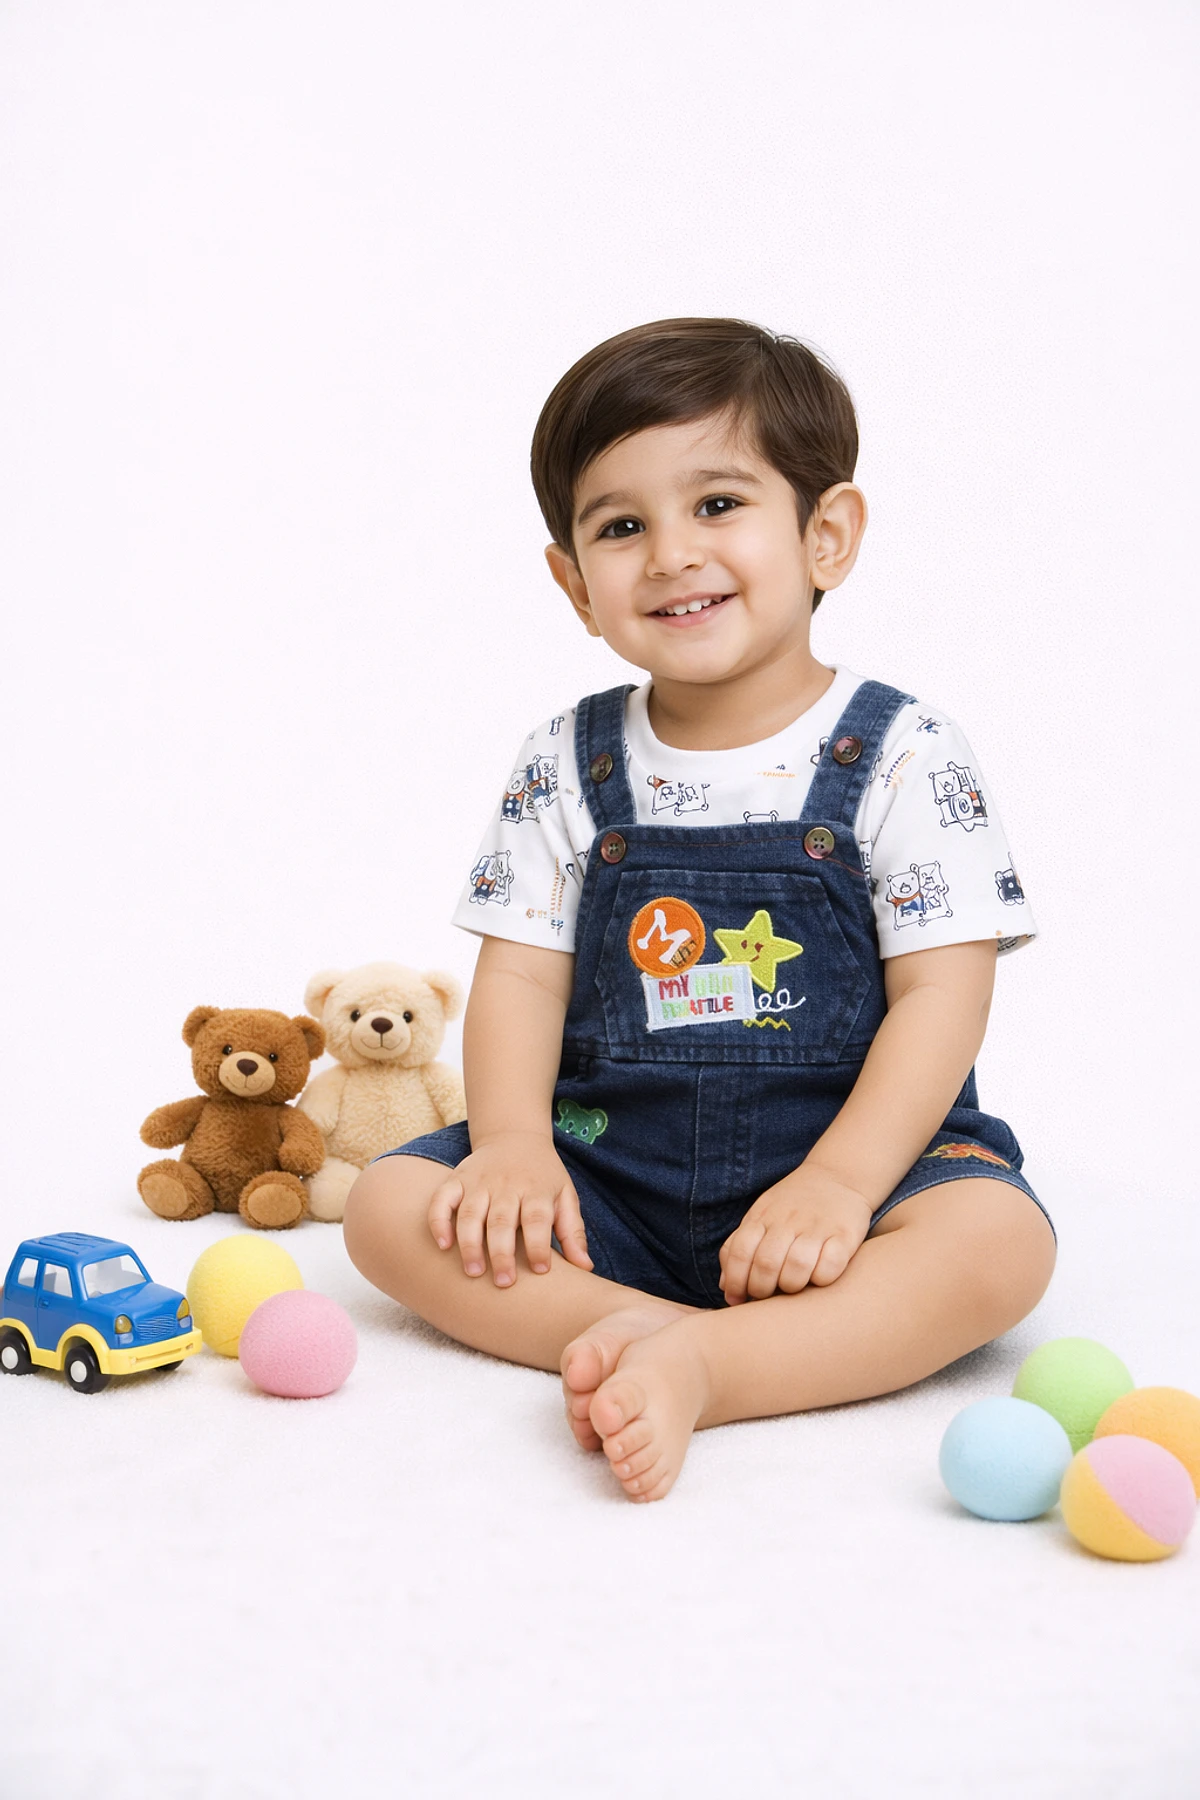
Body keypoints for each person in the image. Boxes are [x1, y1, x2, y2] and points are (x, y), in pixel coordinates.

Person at [342, 317, 1057, 1503]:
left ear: (826, 534)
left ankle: (716, 1366)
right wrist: (514, 1149)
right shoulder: (565, 760)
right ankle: (664, 1329)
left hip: (857, 1177)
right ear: (575, 584)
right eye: (622, 527)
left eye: (718, 504)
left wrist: (842, 1182)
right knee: (388, 1208)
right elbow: (520, 975)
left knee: (1000, 1247)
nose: (672, 554)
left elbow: (945, 991)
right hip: (605, 1174)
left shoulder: (907, 753)